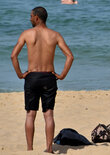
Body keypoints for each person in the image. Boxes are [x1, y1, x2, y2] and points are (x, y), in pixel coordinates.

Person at [10, 7, 74, 153]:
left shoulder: (27, 34)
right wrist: (62, 75)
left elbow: (13, 56)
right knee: (49, 114)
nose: (30, 18)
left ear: (37, 18)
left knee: (30, 114)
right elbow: (70, 56)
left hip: (32, 77)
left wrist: (20, 74)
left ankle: (30, 149)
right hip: (49, 77)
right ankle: (49, 148)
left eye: (31, 16)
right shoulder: (55, 35)